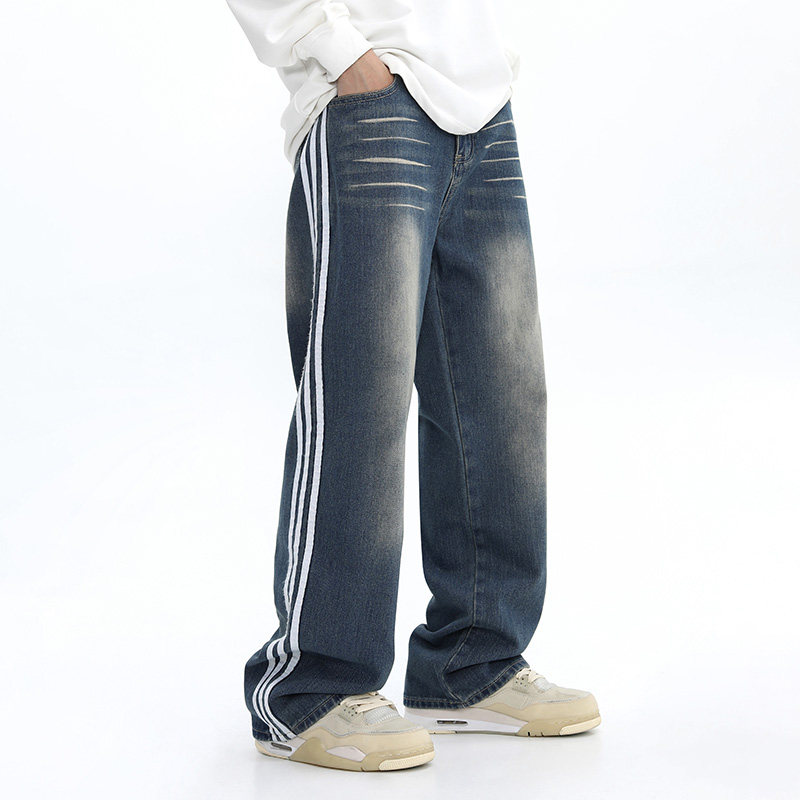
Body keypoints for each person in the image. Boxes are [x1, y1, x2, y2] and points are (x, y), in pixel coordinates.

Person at [224, 0, 600, 772]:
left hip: (481, 105)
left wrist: (487, 61)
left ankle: (473, 662)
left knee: (502, 399)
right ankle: (310, 688)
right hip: (370, 97)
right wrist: (333, 51)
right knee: (360, 402)